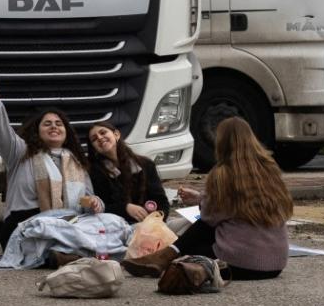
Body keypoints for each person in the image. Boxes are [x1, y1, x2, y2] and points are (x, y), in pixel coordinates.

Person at [122, 117, 291, 281]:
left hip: (240, 264)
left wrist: (204, 201)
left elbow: (210, 217)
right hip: (276, 265)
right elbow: (234, 206)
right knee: (207, 229)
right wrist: (202, 198)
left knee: (199, 234)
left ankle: (164, 256)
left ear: (222, 143)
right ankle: (164, 257)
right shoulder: (270, 170)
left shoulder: (223, 174)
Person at [0, 68, 103, 251]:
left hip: (67, 224)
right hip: (24, 227)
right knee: (59, 232)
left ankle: (63, 252)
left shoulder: (76, 164)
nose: (54, 126)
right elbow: (1, 130)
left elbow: (86, 201)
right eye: (47, 124)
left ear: (66, 132)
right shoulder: (20, 152)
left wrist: (94, 202)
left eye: (59, 124)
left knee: (111, 222)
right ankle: (64, 252)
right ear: (37, 131)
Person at [86, 121, 171, 225]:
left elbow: (161, 200)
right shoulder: (95, 173)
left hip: (153, 225)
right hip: (119, 228)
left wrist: (157, 218)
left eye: (103, 133)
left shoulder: (146, 164)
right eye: (94, 139)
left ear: (116, 134)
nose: (99, 138)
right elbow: (102, 207)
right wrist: (125, 208)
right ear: (94, 147)